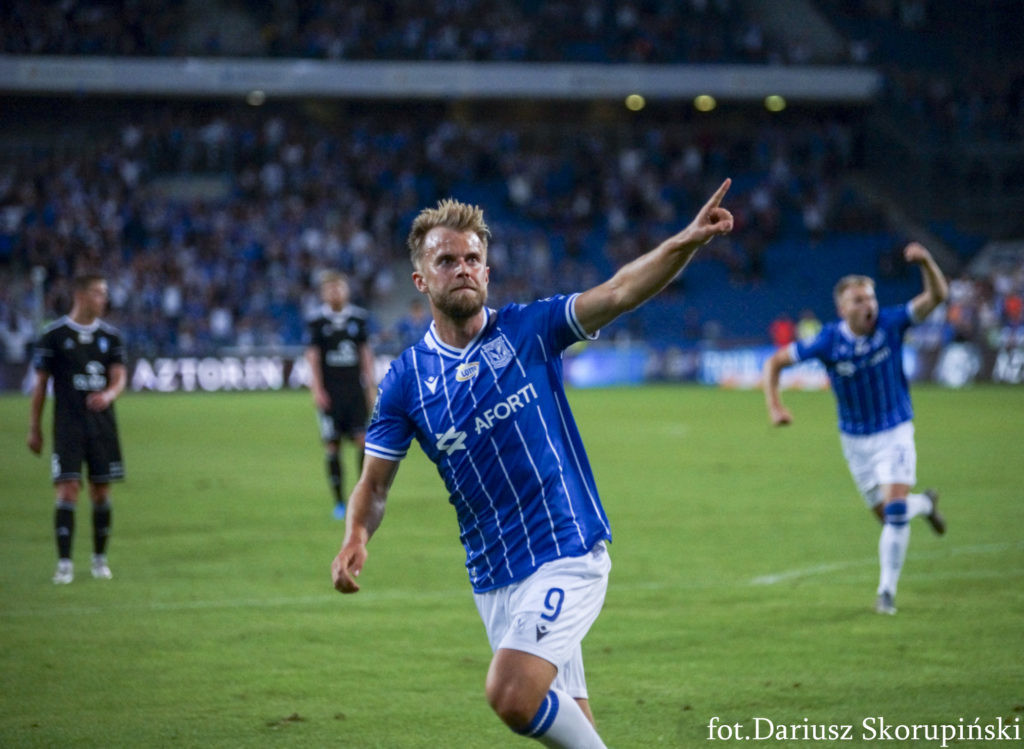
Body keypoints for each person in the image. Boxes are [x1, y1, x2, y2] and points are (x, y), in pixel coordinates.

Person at [331, 180, 734, 747]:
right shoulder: (405, 383)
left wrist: (686, 242)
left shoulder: (529, 329)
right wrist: (356, 535)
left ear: (488, 272)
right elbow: (374, 486)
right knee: (574, 727)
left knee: (511, 693)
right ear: (422, 280)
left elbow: (618, 291)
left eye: (474, 258)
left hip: (566, 551)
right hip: (493, 577)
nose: (464, 268)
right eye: (447, 260)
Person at [762, 242, 949, 615]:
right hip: (854, 440)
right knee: (887, 516)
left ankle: (886, 593)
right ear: (842, 308)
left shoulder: (892, 323)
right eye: (859, 301)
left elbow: (937, 296)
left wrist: (927, 262)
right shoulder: (828, 340)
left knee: (894, 515)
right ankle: (925, 504)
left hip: (895, 429)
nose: (869, 306)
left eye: (871, 298)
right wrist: (775, 405)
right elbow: (775, 363)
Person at [27, 273, 127, 584]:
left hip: (102, 426)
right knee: (68, 489)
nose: (104, 299)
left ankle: (99, 560)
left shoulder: (111, 337)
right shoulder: (54, 336)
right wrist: (35, 428)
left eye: (105, 293)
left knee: (101, 491)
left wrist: (109, 394)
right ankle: (65, 564)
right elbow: (41, 385)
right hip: (68, 426)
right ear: (80, 295)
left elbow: (120, 376)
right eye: (99, 293)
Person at [305, 271, 376, 520]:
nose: (335, 292)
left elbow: (365, 353)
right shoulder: (316, 321)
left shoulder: (358, 318)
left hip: (354, 391)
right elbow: (313, 357)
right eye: (330, 289)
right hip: (331, 394)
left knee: (363, 441)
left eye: (339, 288)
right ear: (324, 293)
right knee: (332, 445)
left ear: (346, 291)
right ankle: (338, 502)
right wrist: (317, 389)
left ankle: (362, 497)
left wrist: (370, 387)